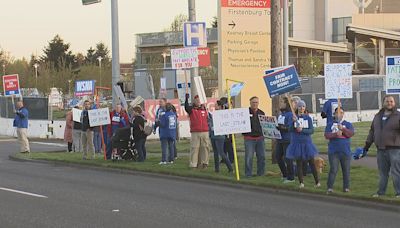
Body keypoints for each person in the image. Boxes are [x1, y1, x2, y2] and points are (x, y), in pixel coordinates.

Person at [364, 95, 400, 198]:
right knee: (382, 173)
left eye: (391, 101)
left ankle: (399, 193)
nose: (389, 103)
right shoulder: (377, 116)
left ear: (394, 103)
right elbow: (372, 131)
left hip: (395, 150)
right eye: (387, 101)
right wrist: (367, 146)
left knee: (396, 172)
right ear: (383, 102)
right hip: (380, 149)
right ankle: (381, 193)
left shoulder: (398, 115)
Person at [286, 100, 320, 188]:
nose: (302, 108)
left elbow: (311, 130)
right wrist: (293, 122)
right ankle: (301, 182)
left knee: (311, 162)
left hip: (307, 143)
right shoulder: (293, 117)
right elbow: (290, 129)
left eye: (303, 107)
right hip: (296, 143)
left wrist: (302, 130)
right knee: (299, 163)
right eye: (300, 106)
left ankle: (317, 182)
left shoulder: (308, 118)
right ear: (297, 107)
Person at [325, 108, 354, 193]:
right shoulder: (330, 124)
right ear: (334, 114)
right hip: (334, 151)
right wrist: (335, 134)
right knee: (333, 169)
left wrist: (343, 129)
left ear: (343, 114)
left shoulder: (347, 124)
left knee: (346, 170)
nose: (339, 114)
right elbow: (327, 135)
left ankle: (346, 187)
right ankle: (329, 187)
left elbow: (351, 133)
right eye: (337, 113)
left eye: (341, 112)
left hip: (345, 151)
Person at [185, 93, 210, 168]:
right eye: (197, 100)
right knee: (194, 148)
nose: (198, 101)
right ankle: (193, 164)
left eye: (199, 100)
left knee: (205, 147)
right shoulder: (192, 109)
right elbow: (186, 107)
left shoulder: (205, 109)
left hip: (205, 131)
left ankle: (204, 162)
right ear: (194, 101)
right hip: (195, 132)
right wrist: (186, 99)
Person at [243, 96, 265, 177]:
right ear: (250, 103)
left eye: (256, 102)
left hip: (260, 138)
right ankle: (248, 174)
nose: (255, 104)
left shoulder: (261, 113)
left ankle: (261, 173)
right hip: (249, 138)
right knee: (249, 157)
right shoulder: (245, 113)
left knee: (261, 157)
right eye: (253, 102)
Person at [209, 100, 233, 173]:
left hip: (220, 136)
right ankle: (217, 169)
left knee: (221, 152)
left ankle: (230, 168)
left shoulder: (222, 114)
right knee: (215, 153)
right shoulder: (214, 113)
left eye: (216, 105)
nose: (215, 106)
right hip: (213, 135)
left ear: (219, 106)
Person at [276, 96, 294, 183]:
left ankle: (291, 177)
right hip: (280, 139)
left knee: (288, 158)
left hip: (287, 139)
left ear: (286, 104)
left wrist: (280, 127)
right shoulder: (280, 115)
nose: (280, 103)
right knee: (278, 157)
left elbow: (289, 127)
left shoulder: (290, 114)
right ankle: (285, 174)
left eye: (282, 102)